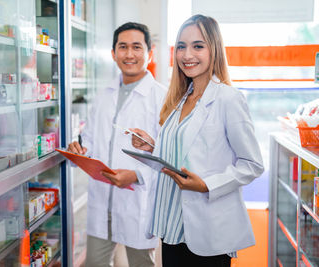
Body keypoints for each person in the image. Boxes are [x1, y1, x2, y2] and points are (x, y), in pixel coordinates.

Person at [130, 14, 264, 267]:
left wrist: (207, 185)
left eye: (198, 46)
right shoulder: (181, 99)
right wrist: (154, 147)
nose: (187, 54)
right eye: (181, 46)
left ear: (214, 50)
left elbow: (252, 164)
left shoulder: (228, 99)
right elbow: (185, 154)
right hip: (171, 226)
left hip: (207, 231)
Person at [67, 22, 167, 267]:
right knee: (94, 263)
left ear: (149, 53)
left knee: (142, 264)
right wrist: (81, 151)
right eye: (123, 47)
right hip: (102, 200)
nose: (129, 54)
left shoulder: (162, 98)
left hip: (139, 200)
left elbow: (169, 157)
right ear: (113, 53)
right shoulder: (104, 95)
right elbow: (90, 138)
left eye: (136, 47)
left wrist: (136, 175)